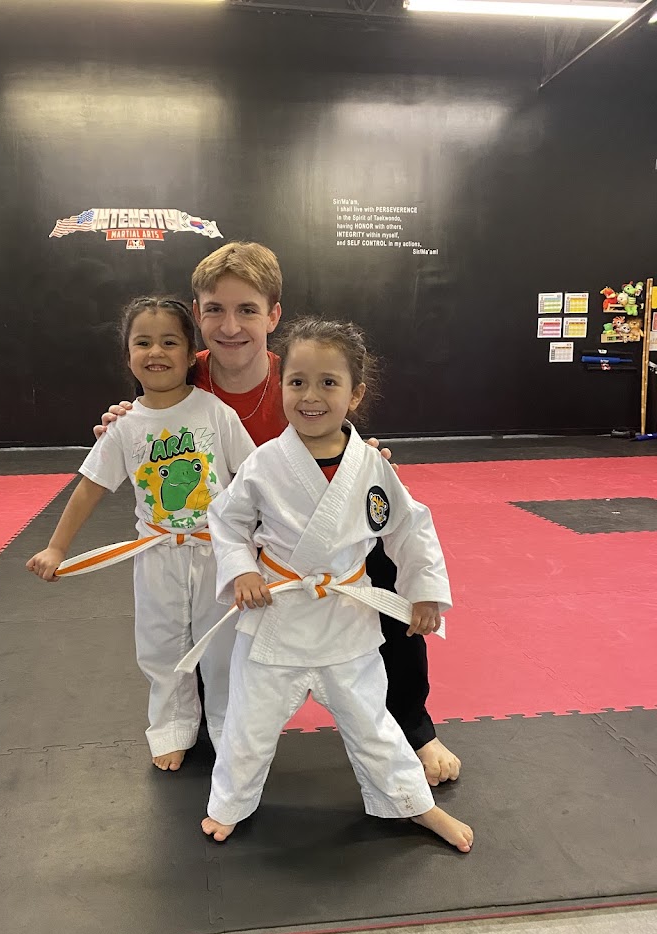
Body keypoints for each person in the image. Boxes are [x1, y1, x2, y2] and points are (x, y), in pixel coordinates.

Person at [95, 242, 461, 788]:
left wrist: (360, 463)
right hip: (226, 539)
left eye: (247, 310)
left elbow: (337, 430)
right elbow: (148, 426)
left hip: (305, 531)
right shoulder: (179, 371)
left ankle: (414, 725)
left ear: (273, 315)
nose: (230, 326)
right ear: (197, 315)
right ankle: (201, 715)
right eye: (215, 310)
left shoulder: (297, 373)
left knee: (382, 575)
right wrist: (121, 421)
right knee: (193, 625)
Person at [194, 317, 472, 852]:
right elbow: (226, 521)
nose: (310, 396)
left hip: (346, 623)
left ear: (355, 394)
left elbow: (409, 526)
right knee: (248, 727)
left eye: (328, 383)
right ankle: (229, 804)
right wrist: (243, 570)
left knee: (373, 722)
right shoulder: (264, 462)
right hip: (276, 620)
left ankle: (413, 803)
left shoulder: (371, 466)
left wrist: (425, 592)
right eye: (297, 382)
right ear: (281, 387)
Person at [27, 297, 255, 771]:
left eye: (170, 342)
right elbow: (90, 487)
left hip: (218, 552)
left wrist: (270, 544)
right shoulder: (125, 426)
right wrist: (56, 546)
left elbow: (256, 478)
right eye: (143, 342)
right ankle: (171, 727)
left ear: (191, 353)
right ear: (127, 354)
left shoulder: (215, 413)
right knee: (160, 644)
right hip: (156, 554)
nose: (156, 352)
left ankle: (228, 727)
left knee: (223, 646)